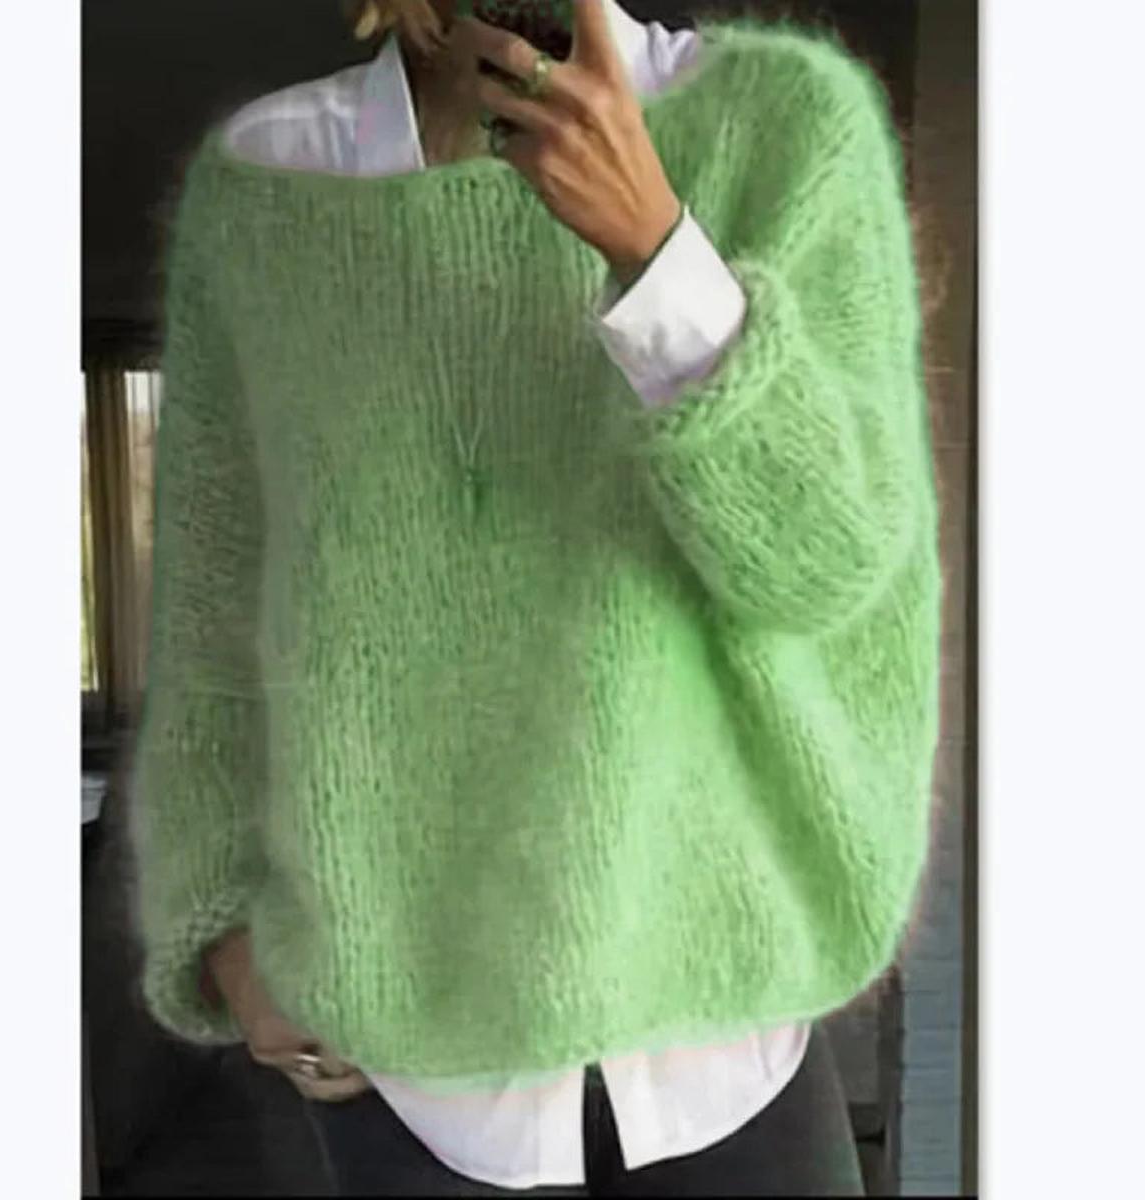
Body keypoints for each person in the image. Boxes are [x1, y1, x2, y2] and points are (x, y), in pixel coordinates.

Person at [128, 0, 941, 1194]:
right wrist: (224, 934)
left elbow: (829, 564)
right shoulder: (269, 187)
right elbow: (213, 601)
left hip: (727, 1047)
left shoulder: (786, 128)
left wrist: (657, 251)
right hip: (409, 1073)